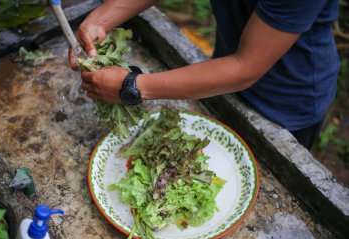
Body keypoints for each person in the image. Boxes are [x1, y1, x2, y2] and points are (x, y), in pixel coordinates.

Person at [69, 0, 339, 150]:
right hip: (220, 76)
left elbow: (246, 67)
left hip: (287, 101)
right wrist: (100, 20)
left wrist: (133, 85)